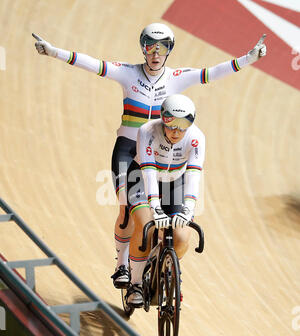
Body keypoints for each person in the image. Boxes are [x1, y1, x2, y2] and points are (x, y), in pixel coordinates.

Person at [32, 23, 266, 289]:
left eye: (162, 47)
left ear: (169, 50)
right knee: (126, 210)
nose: (155, 53)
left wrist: (249, 59)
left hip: (160, 152)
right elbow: (93, 64)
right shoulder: (128, 73)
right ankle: (122, 263)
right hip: (129, 149)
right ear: (143, 48)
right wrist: (54, 52)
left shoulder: (177, 77)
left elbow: (211, 73)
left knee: (161, 211)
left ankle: (154, 264)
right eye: (149, 47)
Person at [125, 93, 204, 306]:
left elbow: (194, 175)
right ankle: (135, 284)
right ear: (162, 118)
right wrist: (156, 208)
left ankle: (169, 272)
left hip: (174, 182)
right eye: (171, 124)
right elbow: (149, 172)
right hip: (141, 177)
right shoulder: (147, 131)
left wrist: (188, 208)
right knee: (145, 226)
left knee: (181, 236)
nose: (177, 131)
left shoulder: (197, 138)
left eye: (183, 125)